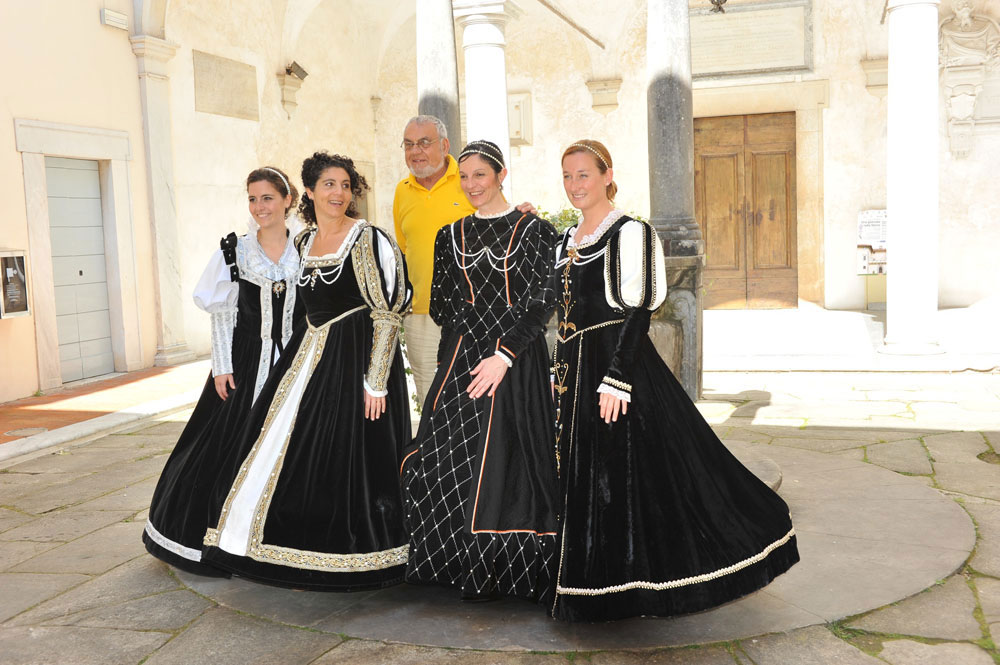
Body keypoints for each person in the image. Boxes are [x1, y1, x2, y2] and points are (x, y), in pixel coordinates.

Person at [550, 140, 799, 622]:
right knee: (591, 478)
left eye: (583, 174)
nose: (575, 185)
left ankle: (639, 586)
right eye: (567, 176)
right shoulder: (567, 239)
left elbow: (638, 308)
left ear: (607, 175)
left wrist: (616, 377)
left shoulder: (629, 233)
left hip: (616, 366)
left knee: (637, 475)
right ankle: (594, 584)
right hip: (574, 370)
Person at [201, 152, 413, 590]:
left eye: (345, 185)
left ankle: (354, 555)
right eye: (328, 185)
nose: (338, 193)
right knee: (285, 449)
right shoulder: (303, 243)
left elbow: (388, 313)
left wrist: (375, 382)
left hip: (356, 360)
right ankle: (288, 548)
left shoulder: (369, 239)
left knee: (347, 454)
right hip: (308, 357)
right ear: (311, 192)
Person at [402, 140, 560, 604]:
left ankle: (504, 568)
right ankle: (448, 562)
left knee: (507, 459)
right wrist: (462, 353)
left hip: (516, 360)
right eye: (465, 176)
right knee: (447, 453)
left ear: (501, 175)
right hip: (462, 360)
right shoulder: (449, 235)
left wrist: (503, 354)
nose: (472, 184)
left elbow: (541, 302)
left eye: (480, 175)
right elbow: (446, 303)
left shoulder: (536, 230)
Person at [143, 166, 302, 576]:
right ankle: (221, 539)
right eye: (252, 198)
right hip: (246, 363)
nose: (259, 206)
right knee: (226, 446)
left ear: (287, 199)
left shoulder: (306, 246)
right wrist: (222, 366)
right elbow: (221, 315)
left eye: (267, 197)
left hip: (294, 363)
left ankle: (275, 538)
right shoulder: (236, 250)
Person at [393, 115, 475, 405]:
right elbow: (407, 248)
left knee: (470, 397)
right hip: (421, 316)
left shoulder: (468, 180)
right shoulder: (402, 191)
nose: (416, 151)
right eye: (409, 144)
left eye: (424, 143)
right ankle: (432, 453)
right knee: (430, 398)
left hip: (469, 311)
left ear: (445, 145)